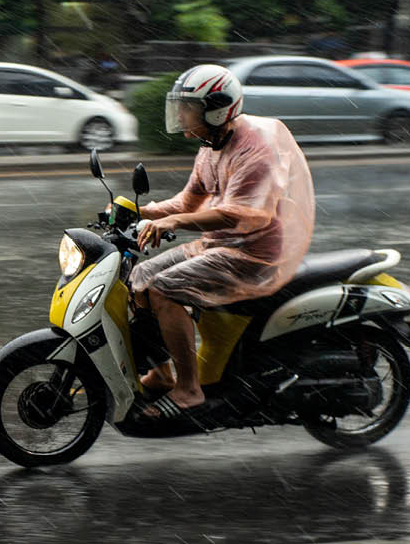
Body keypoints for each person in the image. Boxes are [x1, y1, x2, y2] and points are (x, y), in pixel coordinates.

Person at [127, 63, 315, 420]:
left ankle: (189, 390)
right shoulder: (211, 146)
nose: (180, 115)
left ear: (217, 109)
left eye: (188, 108)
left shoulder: (254, 150)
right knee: (138, 279)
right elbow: (186, 203)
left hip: (254, 255)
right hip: (221, 244)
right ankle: (162, 372)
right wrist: (138, 210)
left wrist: (176, 221)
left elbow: (244, 215)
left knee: (164, 289)